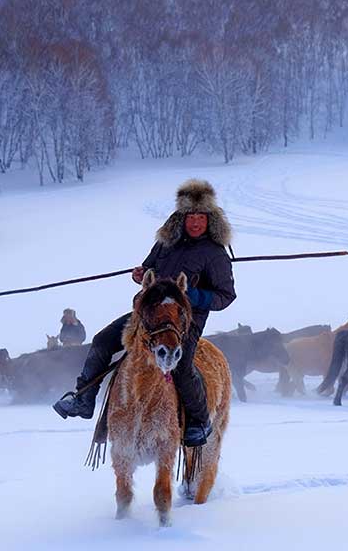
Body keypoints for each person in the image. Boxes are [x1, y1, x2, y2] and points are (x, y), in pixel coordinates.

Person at [53, 179, 236, 447]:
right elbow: (148, 268)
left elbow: (225, 296)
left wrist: (193, 296)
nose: (196, 223)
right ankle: (83, 399)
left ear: (210, 220)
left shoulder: (215, 254)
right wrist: (139, 274)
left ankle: (198, 421)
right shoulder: (166, 243)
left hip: (183, 323)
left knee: (182, 365)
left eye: (201, 217)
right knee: (102, 341)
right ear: (181, 217)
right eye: (190, 217)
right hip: (148, 317)